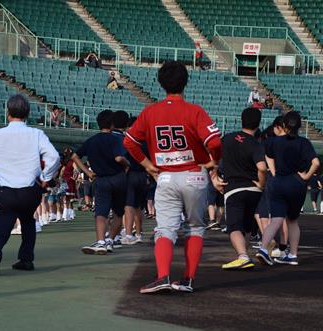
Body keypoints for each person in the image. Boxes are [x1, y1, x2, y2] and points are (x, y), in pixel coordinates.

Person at [123, 61, 222, 293]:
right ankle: (187, 280)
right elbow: (215, 142)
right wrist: (213, 162)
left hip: (166, 176)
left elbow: (129, 141)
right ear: (185, 82)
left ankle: (163, 276)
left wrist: (148, 165)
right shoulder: (194, 111)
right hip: (194, 175)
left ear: (161, 83)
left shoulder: (150, 111)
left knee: (165, 229)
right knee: (195, 228)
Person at [0, 94, 60, 276]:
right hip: (29, 190)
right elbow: (54, 157)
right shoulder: (36, 134)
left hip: (5, 190)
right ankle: (26, 260)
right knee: (27, 222)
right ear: (27, 114)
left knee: (1, 229)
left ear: (8, 113)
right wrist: (45, 177)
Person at [256, 111, 320, 266]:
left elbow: (266, 155)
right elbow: (316, 163)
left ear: (284, 125)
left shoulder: (274, 141)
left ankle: (264, 249)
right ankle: (292, 255)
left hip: (278, 182)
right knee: (292, 221)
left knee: (276, 219)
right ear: (300, 126)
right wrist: (306, 177)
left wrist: (274, 171)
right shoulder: (304, 142)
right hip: (297, 183)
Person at [71, 110, 130, 255]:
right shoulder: (116, 139)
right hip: (118, 178)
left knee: (101, 213)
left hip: (101, 179)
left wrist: (88, 172)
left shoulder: (92, 140)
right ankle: (110, 240)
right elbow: (118, 158)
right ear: (112, 124)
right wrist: (127, 164)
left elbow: (75, 156)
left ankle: (101, 241)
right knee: (118, 212)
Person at [219, 108, 267, 270]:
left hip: (234, 188)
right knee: (247, 226)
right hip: (253, 190)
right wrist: (261, 184)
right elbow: (262, 168)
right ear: (258, 123)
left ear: (241, 120)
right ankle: (244, 255)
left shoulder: (228, 138)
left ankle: (243, 256)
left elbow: (211, 154)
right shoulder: (256, 144)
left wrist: (214, 175)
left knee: (233, 226)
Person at [112, 111, 147, 245]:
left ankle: (128, 234)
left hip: (131, 174)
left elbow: (122, 158)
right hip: (143, 175)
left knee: (128, 205)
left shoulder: (127, 140)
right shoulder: (145, 141)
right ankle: (138, 233)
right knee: (139, 207)